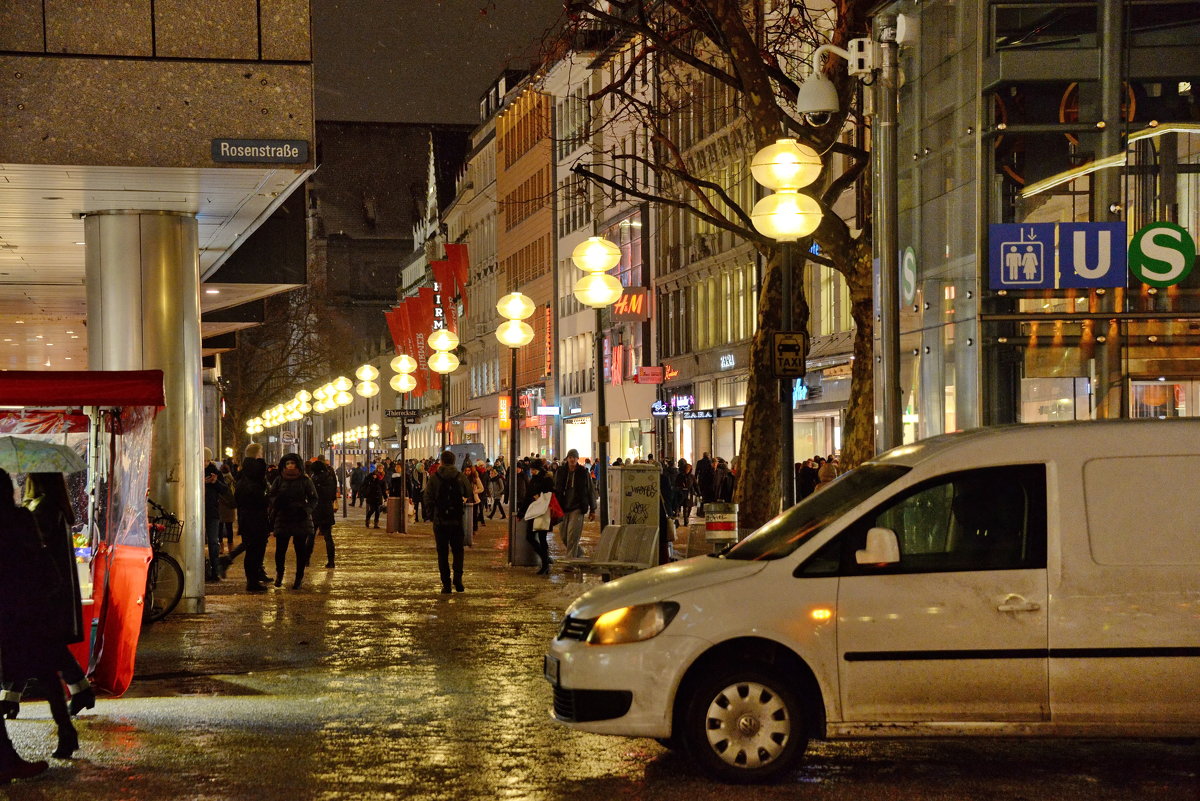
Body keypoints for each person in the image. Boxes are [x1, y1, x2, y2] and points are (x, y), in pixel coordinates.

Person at [0, 468, 76, 766]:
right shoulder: (21, 518)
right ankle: (66, 730)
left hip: (10, 610)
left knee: (27, 668)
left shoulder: (25, 515)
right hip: (32, 608)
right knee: (46, 672)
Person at [423, 450, 471, 593]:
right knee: (458, 551)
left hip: (440, 520)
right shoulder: (460, 476)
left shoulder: (435, 477)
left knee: (442, 553)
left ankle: (446, 584)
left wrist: (432, 515)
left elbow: (427, 497)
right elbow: (468, 492)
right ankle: (458, 579)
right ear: (454, 461)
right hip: (456, 520)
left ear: (442, 462)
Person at [267, 453, 317, 589]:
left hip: (300, 518)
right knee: (280, 550)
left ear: (297, 465)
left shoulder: (305, 480)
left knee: (300, 550)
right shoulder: (279, 479)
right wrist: (277, 502)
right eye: (288, 463)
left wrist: (306, 510)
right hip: (283, 517)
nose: (290, 466)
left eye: (292, 463)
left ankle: (298, 578)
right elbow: (271, 495)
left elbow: (313, 498)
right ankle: (279, 575)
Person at [233, 443, 271, 592]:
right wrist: (265, 500)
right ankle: (253, 582)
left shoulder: (243, 475)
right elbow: (257, 497)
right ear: (257, 454)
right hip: (255, 517)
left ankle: (253, 580)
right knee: (256, 550)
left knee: (251, 550)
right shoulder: (254, 476)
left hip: (247, 517)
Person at [553, 449, 595, 560]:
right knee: (564, 536)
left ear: (577, 459)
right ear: (567, 458)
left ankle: (570, 562)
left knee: (572, 535)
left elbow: (590, 490)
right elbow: (555, 488)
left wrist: (593, 509)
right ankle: (578, 552)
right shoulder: (561, 471)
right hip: (563, 507)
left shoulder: (583, 472)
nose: (572, 459)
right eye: (570, 457)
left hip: (577, 507)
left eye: (574, 457)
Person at [523, 459, 556, 574]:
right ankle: (545, 559)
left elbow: (550, 494)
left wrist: (540, 496)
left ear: (539, 469)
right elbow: (528, 496)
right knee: (530, 537)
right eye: (531, 470)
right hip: (533, 512)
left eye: (534, 470)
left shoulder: (546, 480)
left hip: (543, 512)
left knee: (542, 538)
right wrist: (522, 512)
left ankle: (545, 565)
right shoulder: (533, 480)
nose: (532, 472)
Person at [203, 448, 231, 581]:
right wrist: (202, 482)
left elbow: (225, 489)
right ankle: (202, 569)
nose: (205, 463)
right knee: (198, 542)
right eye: (203, 460)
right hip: (198, 513)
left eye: (208, 460)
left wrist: (215, 482)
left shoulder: (215, 472)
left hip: (212, 511)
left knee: (214, 542)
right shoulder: (192, 470)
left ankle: (215, 570)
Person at [307, 457, 338, 568]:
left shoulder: (313, 479)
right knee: (328, 537)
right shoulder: (330, 478)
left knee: (311, 536)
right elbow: (332, 494)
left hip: (315, 510)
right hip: (327, 509)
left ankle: (306, 560)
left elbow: (310, 495)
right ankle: (331, 561)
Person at [217, 462, 237, 554]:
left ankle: (221, 547)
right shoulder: (232, 480)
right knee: (229, 528)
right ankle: (230, 548)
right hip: (230, 506)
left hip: (220, 506)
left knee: (220, 528)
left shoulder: (220, 480)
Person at [675, 459, 697, 527]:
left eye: (688, 469)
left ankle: (686, 517)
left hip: (689, 493)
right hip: (682, 493)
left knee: (689, 507)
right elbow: (676, 484)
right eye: (686, 469)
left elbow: (695, 485)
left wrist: (698, 493)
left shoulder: (692, 476)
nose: (687, 470)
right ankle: (686, 520)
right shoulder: (680, 476)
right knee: (685, 507)